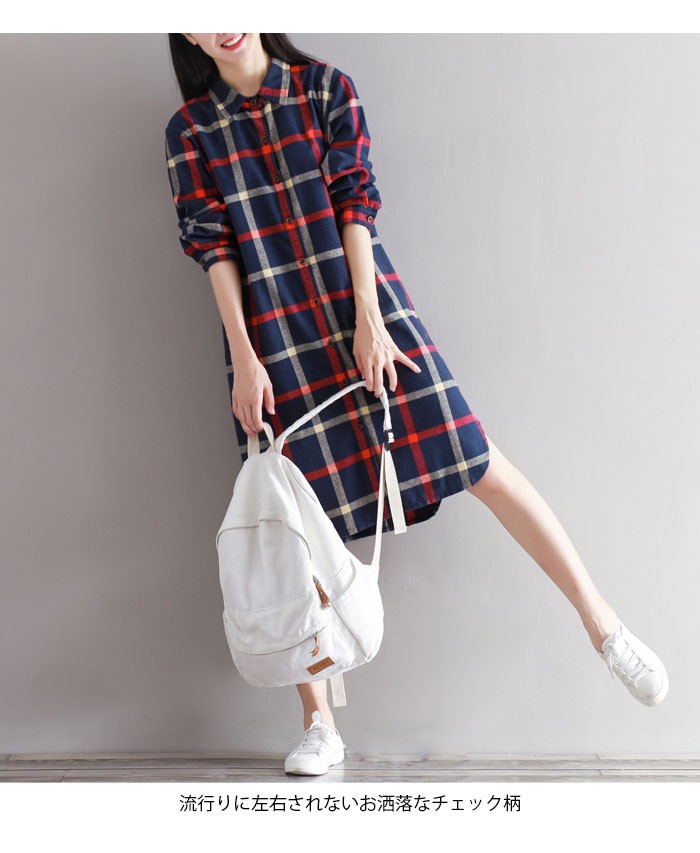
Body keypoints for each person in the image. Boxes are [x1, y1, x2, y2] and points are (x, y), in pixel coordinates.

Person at [164, 33, 669, 776]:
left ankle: (606, 628)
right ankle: (319, 723)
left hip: (366, 313)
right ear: (186, 32)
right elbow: (213, 247)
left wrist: (369, 317)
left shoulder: (325, 88)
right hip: (272, 342)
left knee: (479, 462)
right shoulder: (191, 131)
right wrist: (243, 354)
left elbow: (355, 201)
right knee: (296, 527)